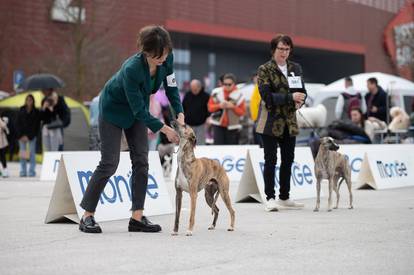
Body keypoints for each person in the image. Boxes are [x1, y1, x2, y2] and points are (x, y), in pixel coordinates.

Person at [79, 25, 184, 234]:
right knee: (109, 162)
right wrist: (165, 129)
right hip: (114, 110)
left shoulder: (167, 58)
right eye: (157, 56)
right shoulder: (132, 69)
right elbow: (138, 110)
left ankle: (137, 217)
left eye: (165, 54)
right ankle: (87, 216)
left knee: (142, 161)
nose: (162, 59)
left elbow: (171, 87)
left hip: (138, 111)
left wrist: (179, 112)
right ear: (145, 52)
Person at [256, 34, 306, 211]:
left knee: (288, 159)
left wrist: (301, 99)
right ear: (273, 50)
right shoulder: (264, 69)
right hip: (270, 122)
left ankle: (285, 197)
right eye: (281, 49)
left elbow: (302, 91)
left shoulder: (295, 68)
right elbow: (267, 97)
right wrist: (290, 97)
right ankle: (270, 198)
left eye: (287, 49)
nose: (284, 52)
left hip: (289, 122)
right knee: (271, 160)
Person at [208, 73, 246, 145]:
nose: (227, 86)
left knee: (231, 150)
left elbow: (242, 113)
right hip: (218, 125)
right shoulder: (216, 93)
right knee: (218, 148)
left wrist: (232, 107)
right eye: (225, 84)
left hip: (233, 126)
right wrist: (219, 106)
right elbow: (210, 108)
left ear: (234, 84)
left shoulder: (239, 95)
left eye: (229, 84)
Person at [15, 94, 41, 177]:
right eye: (27, 100)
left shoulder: (36, 111)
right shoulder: (21, 110)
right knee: (23, 153)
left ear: (33, 101)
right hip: (21, 136)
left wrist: (29, 136)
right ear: (25, 101)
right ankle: (23, 171)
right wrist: (21, 135)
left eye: (31, 100)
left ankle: (31, 171)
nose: (29, 101)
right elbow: (17, 124)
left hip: (32, 136)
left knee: (32, 153)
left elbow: (36, 126)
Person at [182, 79, 210, 145]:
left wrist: (207, 119)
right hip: (188, 124)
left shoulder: (206, 96)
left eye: (195, 89)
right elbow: (183, 107)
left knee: (200, 144)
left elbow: (209, 110)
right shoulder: (188, 95)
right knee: (188, 144)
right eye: (192, 89)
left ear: (199, 87)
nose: (193, 91)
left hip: (201, 125)